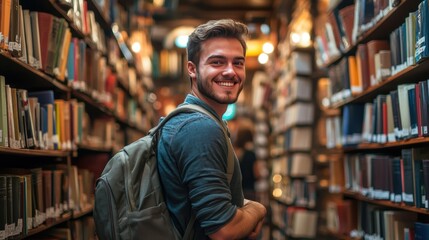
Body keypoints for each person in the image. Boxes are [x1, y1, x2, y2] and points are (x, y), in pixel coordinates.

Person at [157, 19, 267, 240]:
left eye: (238, 63)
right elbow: (224, 229)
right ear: (192, 69)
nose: (230, 72)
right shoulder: (199, 129)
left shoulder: (198, 122)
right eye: (217, 62)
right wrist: (258, 209)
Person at [234, 123, 259, 201]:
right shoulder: (251, 154)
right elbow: (257, 174)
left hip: (236, 192)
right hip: (249, 191)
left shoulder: (234, 153)